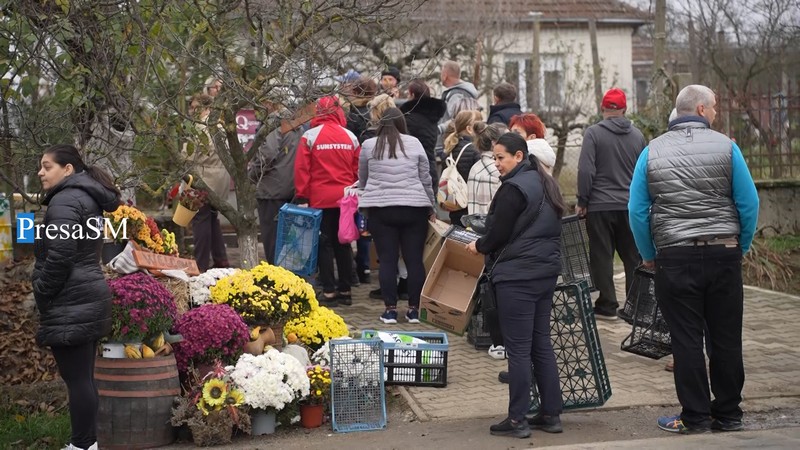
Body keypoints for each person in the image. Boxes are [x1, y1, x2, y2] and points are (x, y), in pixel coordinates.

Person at [629, 84, 759, 434]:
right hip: (723, 253)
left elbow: (637, 210)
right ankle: (729, 414)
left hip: (675, 256)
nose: (716, 111)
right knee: (726, 337)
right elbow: (748, 203)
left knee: (686, 339)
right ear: (701, 109)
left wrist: (649, 254)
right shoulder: (727, 147)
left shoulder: (651, 152)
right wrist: (741, 245)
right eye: (714, 106)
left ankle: (696, 416)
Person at [465, 133, 566, 439]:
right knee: (541, 343)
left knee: (519, 349)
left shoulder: (513, 189)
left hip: (518, 277)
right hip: (545, 273)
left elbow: (498, 233)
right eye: (494, 157)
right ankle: (551, 414)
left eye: (501, 158)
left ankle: (517, 419)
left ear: (518, 156)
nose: (496, 164)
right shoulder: (545, 182)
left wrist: (479, 246)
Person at [33, 144, 121, 450]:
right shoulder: (86, 198)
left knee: (78, 380)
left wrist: (42, 289)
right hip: (87, 294)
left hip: (71, 299)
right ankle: (86, 443)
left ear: (68, 169)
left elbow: (60, 255)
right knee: (84, 378)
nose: (40, 172)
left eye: (47, 166)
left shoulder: (65, 200)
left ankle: (82, 445)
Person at [358, 108, 436, 324]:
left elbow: (363, 178)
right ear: (402, 123)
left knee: (387, 260)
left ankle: (390, 310)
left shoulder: (369, 145)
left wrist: (365, 194)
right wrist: (431, 206)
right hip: (414, 208)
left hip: (381, 210)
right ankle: (414, 310)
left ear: (380, 123)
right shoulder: (415, 143)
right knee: (414, 260)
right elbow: (425, 178)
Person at [576, 87, 645, 320]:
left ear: (603, 108)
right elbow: (643, 172)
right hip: (630, 206)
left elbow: (586, 170)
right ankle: (635, 306)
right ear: (625, 109)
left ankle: (607, 306)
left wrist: (582, 200)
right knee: (632, 256)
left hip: (600, 205)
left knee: (602, 256)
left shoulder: (593, 134)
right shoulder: (638, 136)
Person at [294, 96, 360, 306]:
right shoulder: (350, 136)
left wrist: (302, 196)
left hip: (319, 199)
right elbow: (357, 170)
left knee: (324, 244)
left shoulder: (310, 136)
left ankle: (329, 291)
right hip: (345, 200)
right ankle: (346, 291)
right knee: (344, 243)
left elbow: (302, 170)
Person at [248, 107, 308, 264]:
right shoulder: (297, 124)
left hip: (272, 190)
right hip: (291, 189)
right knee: (287, 241)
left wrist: (250, 175)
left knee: (272, 240)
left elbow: (266, 155)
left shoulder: (274, 123)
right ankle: (286, 275)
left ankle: (275, 275)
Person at [185, 93, 231, 272]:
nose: (192, 111)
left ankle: (200, 264)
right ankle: (221, 259)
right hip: (221, 180)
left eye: (195, 108)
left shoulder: (199, 129)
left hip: (204, 179)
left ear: (206, 108)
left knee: (200, 220)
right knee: (212, 218)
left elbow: (188, 157)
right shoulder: (221, 127)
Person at [400, 78, 446, 194]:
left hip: (412, 171)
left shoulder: (408, 119)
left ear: (412, 95)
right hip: (430, 168)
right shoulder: (433, 117)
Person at [442, 109, 482, 226]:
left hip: (455, 204)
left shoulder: (449, 148)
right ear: (469, 129)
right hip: (471, 206)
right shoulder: (475, 150)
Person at [436, 60, 479, 155]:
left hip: (451, 143)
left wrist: (439, 129)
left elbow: (457, 119)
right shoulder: (466, 92)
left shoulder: (456, 94)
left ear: (445, 75)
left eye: (441, 73)